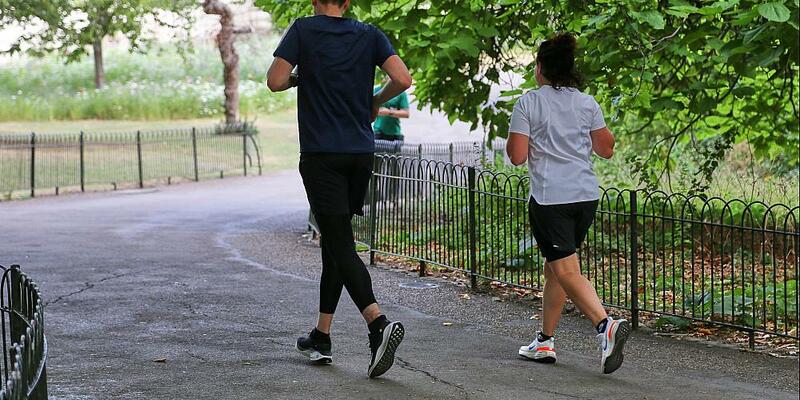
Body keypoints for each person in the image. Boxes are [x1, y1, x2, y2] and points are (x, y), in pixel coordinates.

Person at [266, 0, 412, 378]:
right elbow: (403, 78)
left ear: (315, 1)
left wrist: (302, 78)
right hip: (360, 154)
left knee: (340, 243)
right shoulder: (368, 33)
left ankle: (378, 325)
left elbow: (275, 80)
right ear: (347, 2)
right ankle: (321, 335)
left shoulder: (303, 29)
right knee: (334, 241)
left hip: (322, 154)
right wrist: (375, 101)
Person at [505, 33, 630, 374]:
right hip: (585, 197)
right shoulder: (586, 103)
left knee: (566, 271)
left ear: (541, 67)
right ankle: (544, 341)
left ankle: (606, 326)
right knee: (555, 270)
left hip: (550, 198)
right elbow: (606, 148)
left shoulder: (529, 103)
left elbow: (516, 156)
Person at [373, 75, 410, 145]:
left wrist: (389, 112)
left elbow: (406, 113)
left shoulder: (401, 93)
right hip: (378, 132)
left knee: (394, 156)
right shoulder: (376, 90)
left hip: (394, 134)